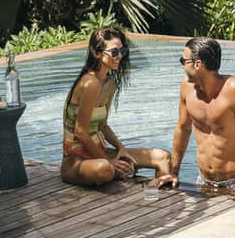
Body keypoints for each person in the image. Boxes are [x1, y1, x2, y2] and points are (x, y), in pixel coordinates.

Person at [153, 37, 235, 201]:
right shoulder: (186, 88)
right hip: (203, 181)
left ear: (197, 64)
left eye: (183, 60)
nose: (181, 65)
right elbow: (182, 128)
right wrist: (173, 172)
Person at [60, 27, 174, 188]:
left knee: (162, 157)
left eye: (122, 51)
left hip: (101, 152)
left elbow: (103, 126)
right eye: (114, 52)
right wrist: (109, 161)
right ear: (97, 53)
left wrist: (121, 148)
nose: (119, 56)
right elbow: (80, 132)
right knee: (104, 168)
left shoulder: (109, 83)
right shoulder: (90, 83)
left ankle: (161, 201)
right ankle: (118, 171)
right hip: (77, 160)